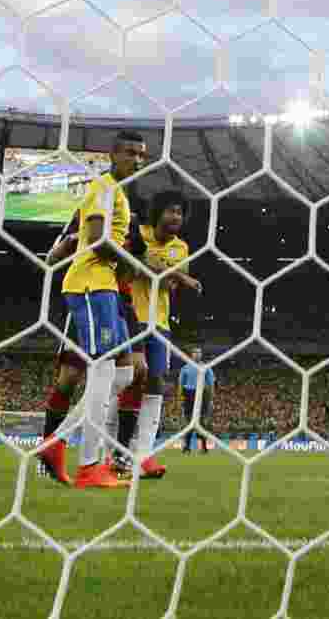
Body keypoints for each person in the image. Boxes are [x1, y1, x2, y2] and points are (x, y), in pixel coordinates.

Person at [36, 131, 147, 488]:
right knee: (100, 370)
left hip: (107, 287)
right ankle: (89, 467)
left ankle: (58, 442)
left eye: (141, 155)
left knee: (124, 374)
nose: (137, 160)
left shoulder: (119, 194)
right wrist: (138, 266)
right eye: (130, 153)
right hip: (89, 283)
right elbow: (99, 241)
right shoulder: (102, 185)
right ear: (113, 154)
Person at [109, 190, 199, 478]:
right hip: (129, 317)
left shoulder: (181, 248)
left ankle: (143, 455)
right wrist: (178, 275)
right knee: (130, 380)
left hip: (159, 323)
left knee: (156, 382)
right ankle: (114, 451)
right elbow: (127, 267)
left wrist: (155, 265)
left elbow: (167, 284)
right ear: (158, 212)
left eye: (180, 213)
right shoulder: (138, 233)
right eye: (171, 211)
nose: (176, 217)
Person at [180, 346, 215, 454]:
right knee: (189, 421)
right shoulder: (185, 368)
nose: (197, 354)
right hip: (189, 394)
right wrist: (181, 398)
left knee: (202, 422)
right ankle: (187, 447)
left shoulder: (206, 367)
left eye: (199, 353)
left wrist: (210, 399)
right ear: (191, 355)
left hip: (202, 394)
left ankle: (204, 447)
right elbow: (181, 384)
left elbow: (211, 384)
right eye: (195, 353)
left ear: (201, 355)